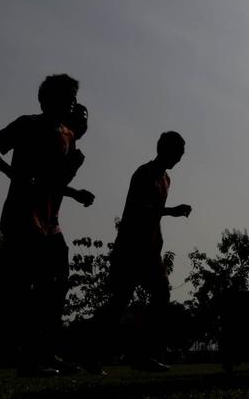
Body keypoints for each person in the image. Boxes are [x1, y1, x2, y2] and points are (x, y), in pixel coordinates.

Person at [0, 74, 95, 376]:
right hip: (22, 215)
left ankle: (46, 351)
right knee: (22, 288)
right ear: (46, 99)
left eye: (72, 95)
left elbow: (52, 181)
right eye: (65, 95)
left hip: (50, 220)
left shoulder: (68, 136)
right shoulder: (27, 124)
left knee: (57, 284)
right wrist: (12, 173)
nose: (71, 100)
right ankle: (23, 358)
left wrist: (73, 189)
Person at [101, 131, 193, 371]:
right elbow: (140, 209)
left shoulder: (166, 179)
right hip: (131, 249)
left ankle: (142, 355)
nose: (179, 159)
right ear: (163, 150)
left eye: (181, 155)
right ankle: (94, 352)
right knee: (119, 303)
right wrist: (170, 211)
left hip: (151, 251)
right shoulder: (144, 174)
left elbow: (153, 213)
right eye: (177, 154)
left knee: (161, 296)